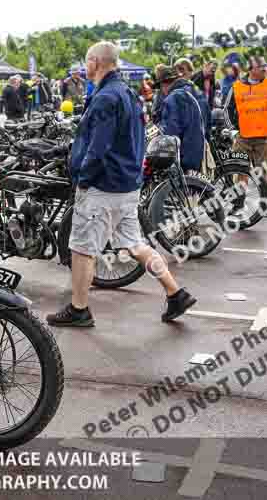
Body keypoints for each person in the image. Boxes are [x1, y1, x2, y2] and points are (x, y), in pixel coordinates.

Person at [46, 42, 196, 328]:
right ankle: (176, 292)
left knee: (81, 248)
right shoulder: (128, 93)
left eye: (86, 61)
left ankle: (79, 309)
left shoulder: (105, 98)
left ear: (96, 62)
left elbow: (97, 148)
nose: (84, 67)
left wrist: (82, 179)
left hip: (103, 187)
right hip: (127, 185)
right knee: (134, 244)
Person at [224, 55, 267, 218]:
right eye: (262, 66)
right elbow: (227, 109)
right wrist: (234, 130)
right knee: (240, 173)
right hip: (242, 139)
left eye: (266, 66)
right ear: (251, 70)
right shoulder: (236, 86)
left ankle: (264, 206)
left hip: (265, 138)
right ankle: (238, 207)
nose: (266, 69)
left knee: (262, 173)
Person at [153, 65, 206, 172]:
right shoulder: (195, 90)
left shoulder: (173, 98)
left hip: (182, 156)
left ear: (164, 84)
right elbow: (207, 119)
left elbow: (170, 133)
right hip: (198, 150)